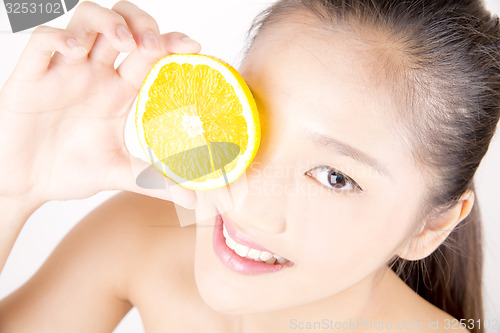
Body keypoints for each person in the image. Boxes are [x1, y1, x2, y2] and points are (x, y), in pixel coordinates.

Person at [0, 0, 498, 331]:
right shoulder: (140, 237)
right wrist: (12, 188)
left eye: (335, 177)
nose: (246, 202)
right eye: (252, 119)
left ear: (432, 225)